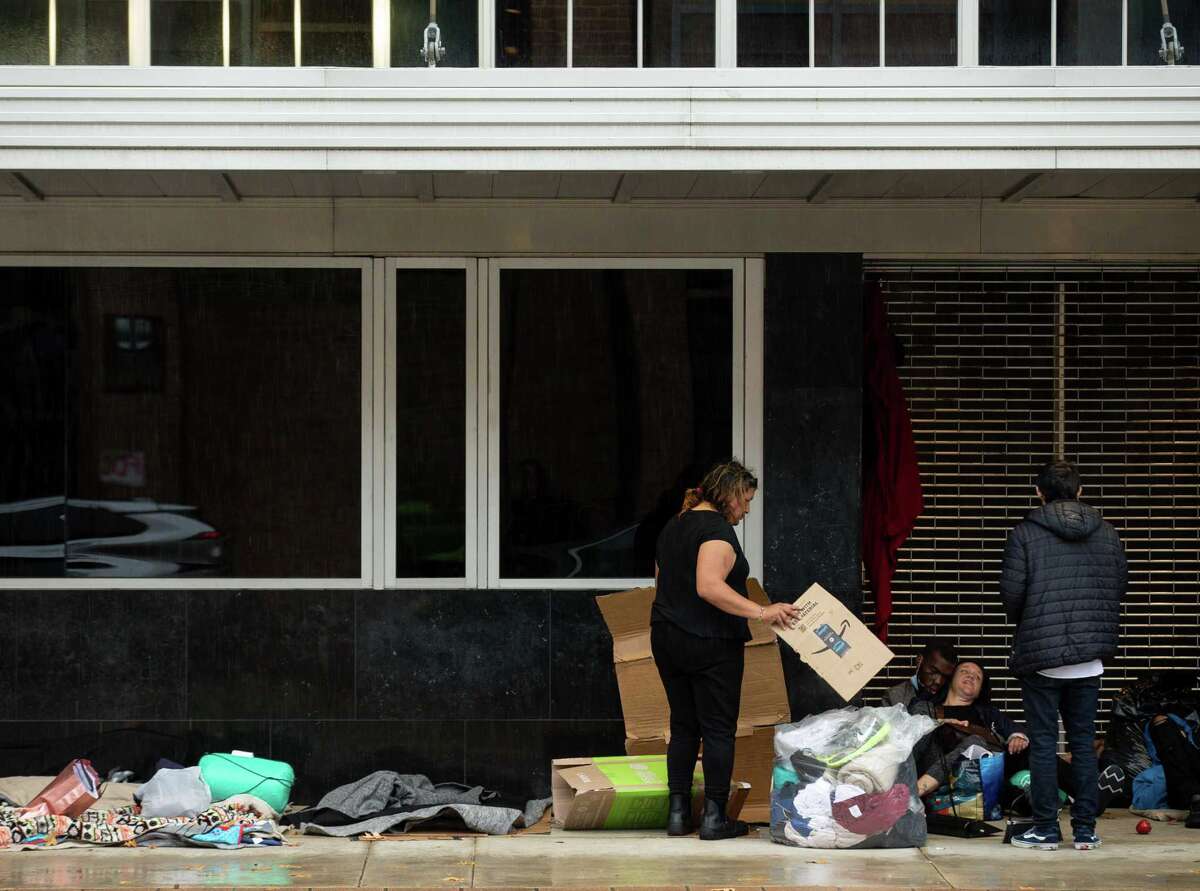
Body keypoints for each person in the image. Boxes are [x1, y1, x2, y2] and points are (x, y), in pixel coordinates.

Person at [651, 459, 797, 840]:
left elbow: (661, 582)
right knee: (717, 729)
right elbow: (708, 586)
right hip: (710, 642)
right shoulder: (715, 530)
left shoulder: (673, 526)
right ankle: (715, 818)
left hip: (667, 638)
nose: (746, 510)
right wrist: (762, 611)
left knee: (683, 727)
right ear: (729, 493)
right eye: (745, 500)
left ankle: (679, 814)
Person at [1001, 460, 1126, 851]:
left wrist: (1032, 621)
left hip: (1041, 656)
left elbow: (1011, 594)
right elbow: (1119, 586)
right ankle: (1086, 830)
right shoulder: (1107, 534)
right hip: (1089, 660)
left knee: (1042, 744)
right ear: (1080, 491)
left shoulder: (1025, 533)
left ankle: (1046, 829)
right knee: (1083, 741)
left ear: (1039, 492)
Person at [910, 660, 1030, 798]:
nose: (971, 676)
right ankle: (916, 792)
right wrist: (938, 723)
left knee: (1038, 751)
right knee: (973, 743)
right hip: (936, 766)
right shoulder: (927, 706)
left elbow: (1013, 727)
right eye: (964, 671)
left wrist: (1017, 737)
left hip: (981, 770)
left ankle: (1040, 797)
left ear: (979, 691)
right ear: (951, 679)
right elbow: (909, 736)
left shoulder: (987, 712)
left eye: (977, 677)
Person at [883, 640, 958, 708]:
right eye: (934, 671)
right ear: (919, 660)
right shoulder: (894, 697)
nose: (938, 681)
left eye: (945, 676)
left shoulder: (955, 698)